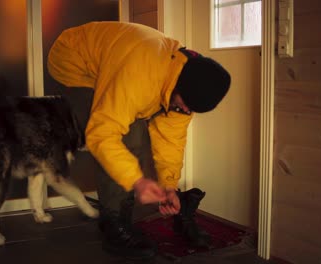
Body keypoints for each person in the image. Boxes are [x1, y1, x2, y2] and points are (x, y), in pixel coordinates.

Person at [47, 21, 231, 260]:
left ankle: (124, 208)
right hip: (72, 59)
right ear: (180, 87)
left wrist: (169, 187)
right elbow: (102, 134)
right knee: (125, 137)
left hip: (118, 59)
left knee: (139, 139)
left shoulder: (185, 86)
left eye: (189, 108)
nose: (185, 110)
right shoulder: (141, 75)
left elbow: (170, 141)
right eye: (185, 104)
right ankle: (114, 225)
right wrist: (137, 181)